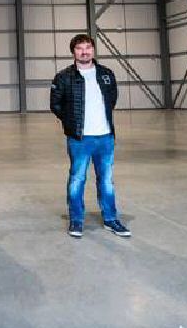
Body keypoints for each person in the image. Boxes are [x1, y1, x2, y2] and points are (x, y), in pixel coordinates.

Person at [50, 33, 130, 239]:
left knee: (107, 180)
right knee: (77, 179)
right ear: (73, 52)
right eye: (79, 48)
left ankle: (111, 219)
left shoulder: (106, 74)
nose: (84, 51)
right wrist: (72, 124)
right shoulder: (64, 77)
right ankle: (76, 220)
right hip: (80, 139)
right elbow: (55, 105)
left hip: (105, 137)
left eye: (88, 47)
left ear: (93, 50)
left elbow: (112, 99)